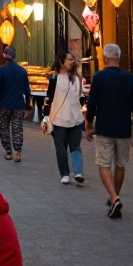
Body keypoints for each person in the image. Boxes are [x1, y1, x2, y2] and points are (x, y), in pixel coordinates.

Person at [85, 43, 133, 218]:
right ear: (119, 57)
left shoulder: (99, 77)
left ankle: (113, 196)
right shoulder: (130, 78)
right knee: (120, 164)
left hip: (104, 127)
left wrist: (88, 124)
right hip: (123, 127)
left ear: (105, 58)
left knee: (103, 163)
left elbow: (92, 103)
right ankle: (114, 197)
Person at [44, 50, 85, 184]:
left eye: (73, 60)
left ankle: (78, 172)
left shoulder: (77, 78)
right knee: (60, 147)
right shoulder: (54, 80)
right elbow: (48, 100)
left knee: (76, 146)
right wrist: (46, 117)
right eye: (69, 60)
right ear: (61, 62)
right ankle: (65, 173)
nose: (72, 62)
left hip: (75, 118)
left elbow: (80, 97)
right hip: (58, 119)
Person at [0, 45, 32, 162]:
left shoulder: (1, 70)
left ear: (4, 56)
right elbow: (26, 90)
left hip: (4, 104)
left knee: (4, 128)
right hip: (18, 105)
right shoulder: (22, 71)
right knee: (17, 128)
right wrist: (28, 103)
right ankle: (18, 153)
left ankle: (8, 152)